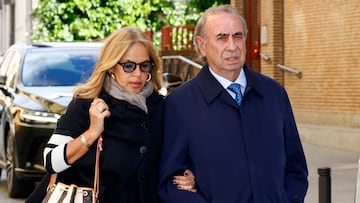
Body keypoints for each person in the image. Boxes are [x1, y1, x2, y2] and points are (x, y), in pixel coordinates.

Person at [158, 4, 308, 203]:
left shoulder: (274, 94)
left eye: (238, 36)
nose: (232, 46)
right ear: (202, 45)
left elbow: (296, 167)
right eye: (222, 37)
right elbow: (170, 184)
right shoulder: (179, 105)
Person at [26, 27, 195, 203]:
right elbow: (51, 162)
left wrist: (187, 175)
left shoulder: (161, 107)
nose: (137, 74)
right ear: (112, 66)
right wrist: (91, 133)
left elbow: (171, 158)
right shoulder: (87, 104)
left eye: (144, 66)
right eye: (128, 66)